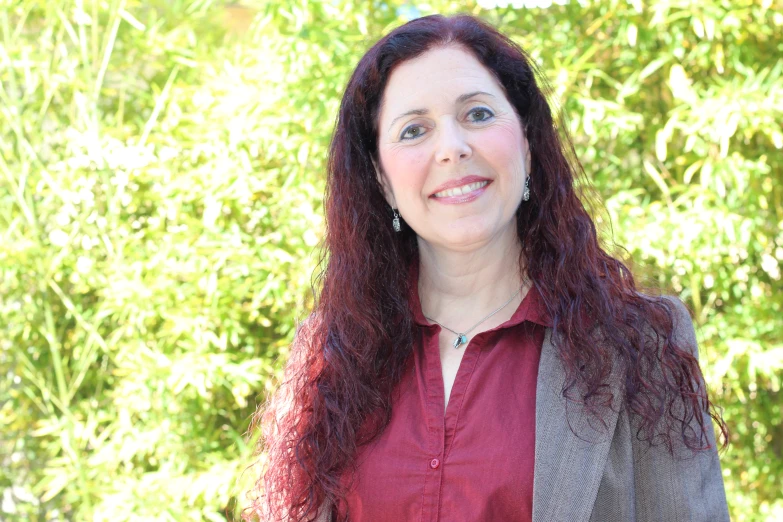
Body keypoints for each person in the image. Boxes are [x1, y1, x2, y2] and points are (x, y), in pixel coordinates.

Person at [245, 13, 729, 522]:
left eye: (476, 115)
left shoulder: (641, 342)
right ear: (382, 181)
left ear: (525, 140)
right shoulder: (329, 354)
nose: (452, 148)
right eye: (414, 130)